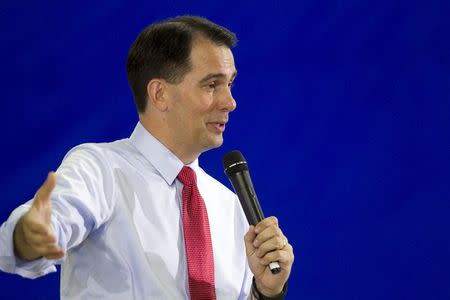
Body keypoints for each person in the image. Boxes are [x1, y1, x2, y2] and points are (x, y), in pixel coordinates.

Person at [0, 16, 294, 299]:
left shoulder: (230, 207)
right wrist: (29, 236)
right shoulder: (100, 169)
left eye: (230, 84)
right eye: (211, 85)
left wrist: (266, 292)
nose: (230, 102)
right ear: (160, 94)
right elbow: (52, 221)